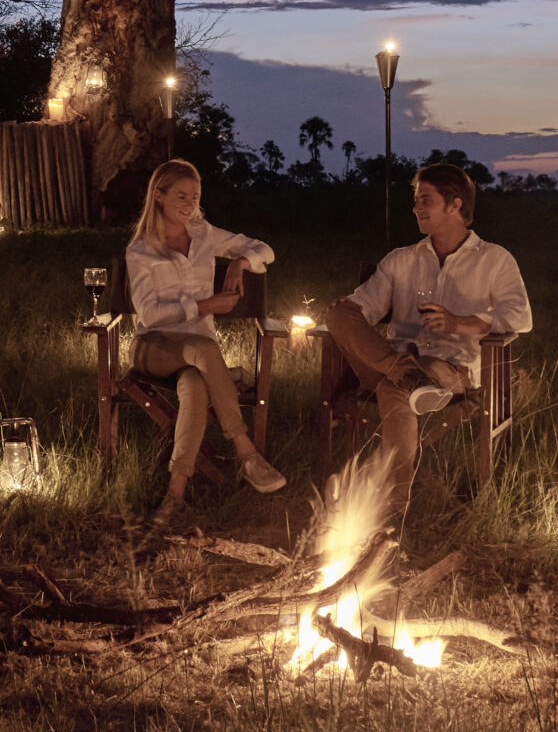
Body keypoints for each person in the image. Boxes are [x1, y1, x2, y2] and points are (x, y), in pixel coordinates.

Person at [328, 161, 532, 517]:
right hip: (387, 359)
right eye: (416, 201)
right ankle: (407, 375)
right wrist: (350, 307)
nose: (416, 208)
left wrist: (460, 322)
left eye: (426, 200)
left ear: (455, 205)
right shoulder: (401, 260)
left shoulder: (495, 260)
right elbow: (365, 307)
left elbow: (520, 318)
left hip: (450, 368)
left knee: (397, 389)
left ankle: (392, 508)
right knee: (336, 314)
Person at [123, 158, 289, 529]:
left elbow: (265, 249)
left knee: (196, 386)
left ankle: (175, 492)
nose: (189, 203)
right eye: (181, 195)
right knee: (205, 349)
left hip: (197, 355)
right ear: (159, 196)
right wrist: (204, 306)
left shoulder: (205, 235)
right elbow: (148, 314)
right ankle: (245, 451)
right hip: (153, 346)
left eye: (195, 197)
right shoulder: (141, 251)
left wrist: (239, 263)